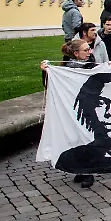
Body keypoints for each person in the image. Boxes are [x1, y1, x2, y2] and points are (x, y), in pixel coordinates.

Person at [40, 39, 98, 188]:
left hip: (89, 108)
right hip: (71, 109)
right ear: (76, 53)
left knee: (87, 138)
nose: (89, 52)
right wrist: (45, 72)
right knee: (76, 139)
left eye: (89, 49)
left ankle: (88, 172)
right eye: (86, 50)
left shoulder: (92, 65)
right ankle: (80, 169)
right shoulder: (65, 68)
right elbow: (50, 85)